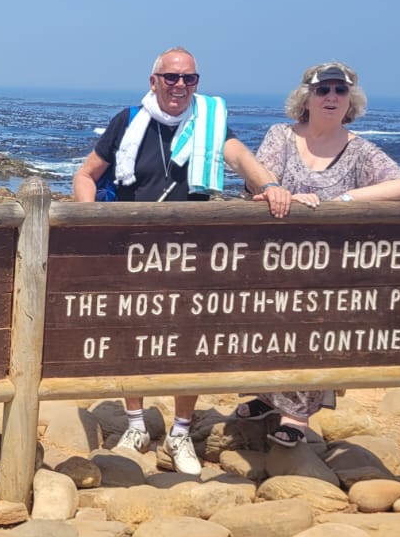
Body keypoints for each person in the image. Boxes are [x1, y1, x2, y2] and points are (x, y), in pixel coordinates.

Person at [71, 46, 275, 476]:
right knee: (133, 335)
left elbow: (238, 156)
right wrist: (89, 220)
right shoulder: (128, 122)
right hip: (133, 249)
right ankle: (136, 425)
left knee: (187, 342)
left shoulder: (209, 122)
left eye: (190, 79)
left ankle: (181, 431)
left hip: (190, 251)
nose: (180, 86)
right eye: (171, 78)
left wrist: (269, 184)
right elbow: (86, 174)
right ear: (154, 81)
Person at [235, 62, 400, 447]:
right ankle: (268, 397)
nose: (331, 97)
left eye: (340, 91)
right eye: (323, 90)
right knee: (267, 330)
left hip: (329, 268)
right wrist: (281, 194)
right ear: (306, 98)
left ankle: (295, 417)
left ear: (351, 101)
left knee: (313, 331)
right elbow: (259, 179)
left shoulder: (360, 150)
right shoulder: (281, 136)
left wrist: (342, 200)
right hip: (275, 260)